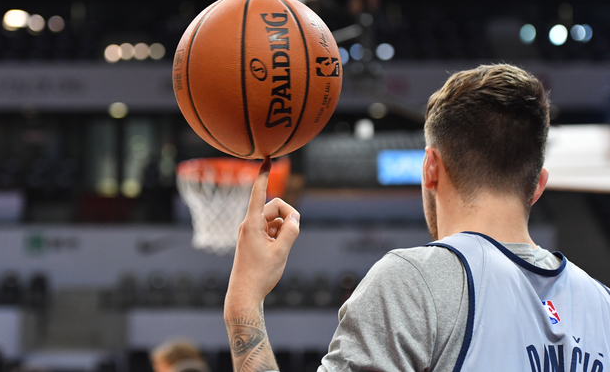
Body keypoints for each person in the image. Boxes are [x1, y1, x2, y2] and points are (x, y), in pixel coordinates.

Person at [224, 64, 610, 372]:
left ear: (429, 168)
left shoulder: (415, 281)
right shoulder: (602, 305)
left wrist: (243, 302)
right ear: (538, 185)